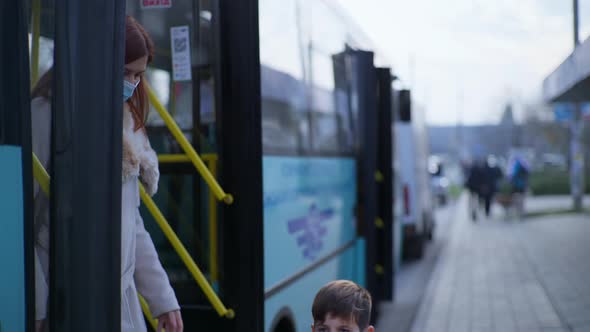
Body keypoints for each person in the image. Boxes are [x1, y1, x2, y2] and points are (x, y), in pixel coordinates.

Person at [31, 15, 183, 332]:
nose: (132, 83)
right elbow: (21, 221)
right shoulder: (45, 116)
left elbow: (132, 222)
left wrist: (162, 299)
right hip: (66, 296)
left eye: (139, 75)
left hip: (119, 301)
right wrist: (38, 303)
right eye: (124, 72)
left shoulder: (127, 125)